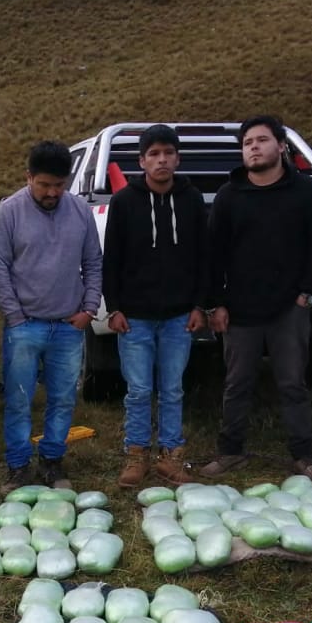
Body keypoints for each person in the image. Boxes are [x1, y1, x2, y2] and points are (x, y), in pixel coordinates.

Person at [201, 115, 312, 483]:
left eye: (261, 140)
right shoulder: (229, 196)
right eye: (247, 143)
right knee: (236, 383)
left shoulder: (305, 192)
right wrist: (217, 303)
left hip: (289, 308)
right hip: (240, 310)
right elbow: (215, 254)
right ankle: (230, 452)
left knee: (293, 383)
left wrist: (308, 292)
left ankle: (303, 456)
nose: (253, 147)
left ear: (280, 146)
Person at [0, 140, 102, 491]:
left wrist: (89, 309)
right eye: (44, 185)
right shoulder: (8, 212)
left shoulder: (80, 211)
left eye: (59, 185)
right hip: (25, 326)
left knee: (63, 397)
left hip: (69, 326)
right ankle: (19, 466)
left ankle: (52, 461)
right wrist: (16, 317)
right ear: (28, 177)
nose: (52, 192)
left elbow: (94, 262)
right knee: (19, 398)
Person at [102, 124, 208, 489]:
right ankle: (136, 455)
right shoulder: (124, 202)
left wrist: (199, 306)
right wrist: (113, 307)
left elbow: (202, 258)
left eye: (168, 153)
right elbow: (111, 258)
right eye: (153, 154)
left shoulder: (192, 200)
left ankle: (171, 456)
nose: (161, 160)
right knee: (138, 389)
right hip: (135, 317)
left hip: (179, 314)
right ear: (142, 161)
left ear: (177, 158)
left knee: (173, 387)